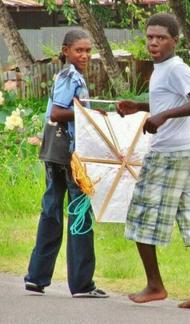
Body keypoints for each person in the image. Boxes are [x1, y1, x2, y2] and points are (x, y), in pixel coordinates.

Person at [116, 13, 190, 309]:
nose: (154, 43)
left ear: (175, 41)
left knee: (140, 216)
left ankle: (155, 285)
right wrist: (141, 107)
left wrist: (162, 116)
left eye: (161, 38)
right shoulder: (162, 69)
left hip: (169, 154)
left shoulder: (175, 68)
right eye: (150, 37)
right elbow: (171, 101)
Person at [24, 30, 108, 298]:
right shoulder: (71, 76)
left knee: (50, 212)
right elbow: (58, 112)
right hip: (68, 155)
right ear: (66, 51)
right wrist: (90, 112)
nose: (84, 55)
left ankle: (37, 277)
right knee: (79, 213)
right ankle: (82, 284)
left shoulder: (66, 75)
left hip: (53, 152)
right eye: (78, 50)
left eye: (87, 51)